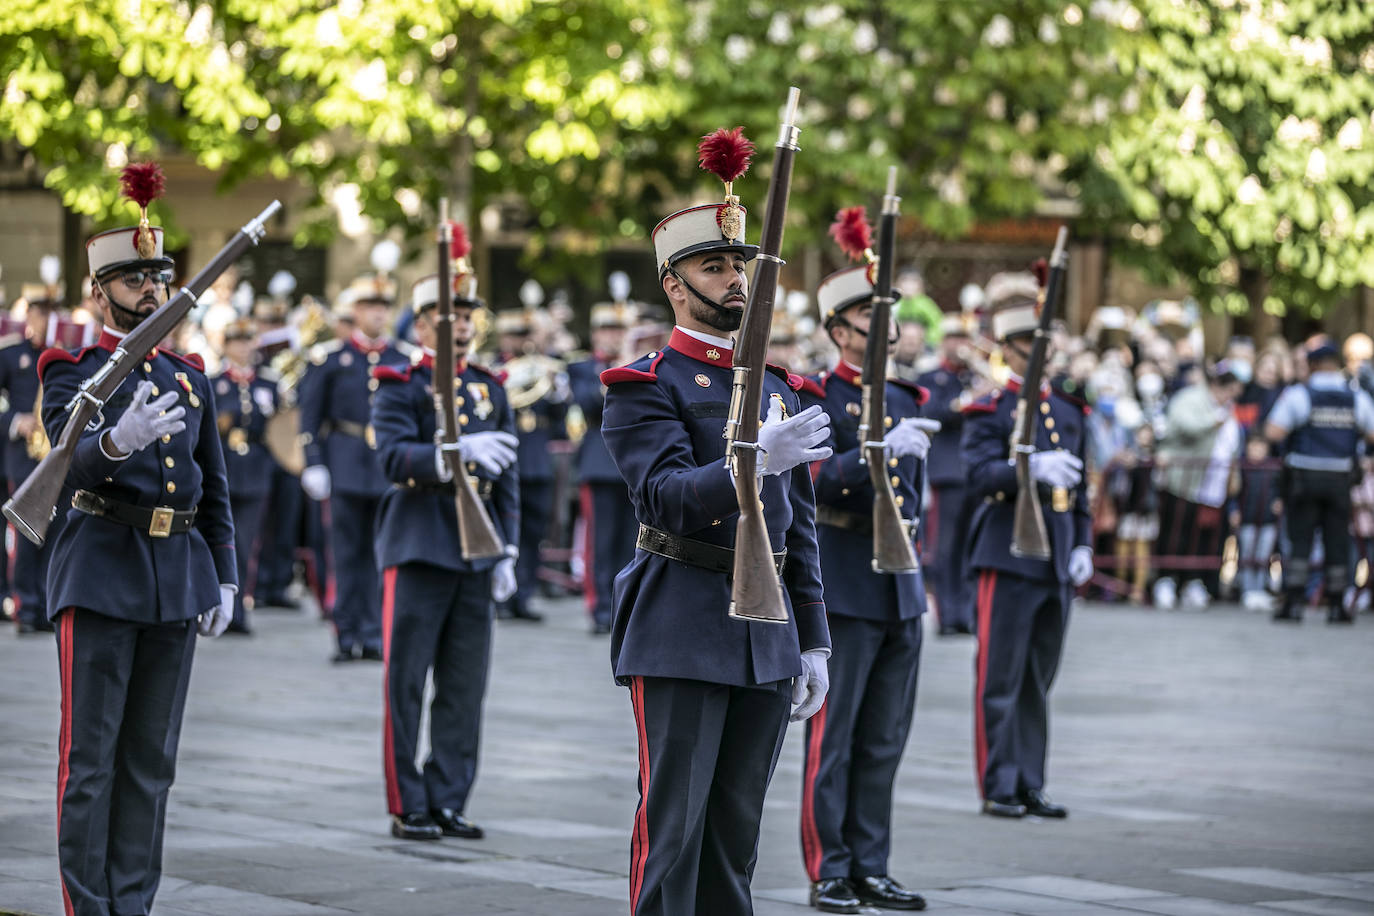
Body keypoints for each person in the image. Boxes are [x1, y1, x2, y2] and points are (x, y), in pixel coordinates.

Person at [600, 127, 832, 915]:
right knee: (673, 835)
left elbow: (795, 528)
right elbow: (662, 497)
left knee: (735, 840)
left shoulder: (775, 384)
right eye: (714, 266)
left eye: (740, 266)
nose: (734, 281)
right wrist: (748, 463)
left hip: (764, 634)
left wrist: (814, 637)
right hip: (683, 623)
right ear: (674, 284)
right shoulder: (643, 385)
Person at [39, 164, 236, 916]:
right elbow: (63, 455)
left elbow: (213, 486)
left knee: (151, 763)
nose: (150, 291)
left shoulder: (189, 376)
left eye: (157, 276)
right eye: (131, 280)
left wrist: (224, 575)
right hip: (99, 569)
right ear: (99, 293)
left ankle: (133, 903)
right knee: (90, 762)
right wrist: (113, 442)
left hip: (174, 576)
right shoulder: (72, 365)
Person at [795, 214, 937, 914]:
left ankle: (872, 863)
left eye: (889, 316)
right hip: (845, 579)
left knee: (883, 739)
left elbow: (919, 499)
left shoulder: (909, 397)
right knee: (836, 736)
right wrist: (877, 453)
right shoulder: (819, 394)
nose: (885, 329)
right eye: (867, 316)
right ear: (840, 331)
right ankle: (830, 867)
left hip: (898, 584)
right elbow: (812, 482)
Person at [371, 247, 520, 841]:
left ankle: (450, 796)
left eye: (466, 315)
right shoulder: (398, 381)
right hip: (419, 543)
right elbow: (390, 457)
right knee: (406, 682)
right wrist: (451, 455)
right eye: (448, 313)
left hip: (477, 549)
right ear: (425, 319)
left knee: (464, 685)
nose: (460, 324)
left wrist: (508, 550)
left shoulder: (489, 386)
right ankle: (408, 800)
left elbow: (506, 476)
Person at [961, 277, 1092, 819]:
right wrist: (1028, 467)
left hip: (1057, 554)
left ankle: (1030, 779)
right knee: (1001, 674)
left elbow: (1083, 486)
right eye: (1025, 345)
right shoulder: (991, 408)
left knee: (1039, 676)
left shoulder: (1066, 412)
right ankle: (999, 783)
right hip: (1007, 553)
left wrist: (1083, 542)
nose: (1036, 355)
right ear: (1008, 349)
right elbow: (976, 475)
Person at [297, 276, 406, 661]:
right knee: (343, 554)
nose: (378, 313)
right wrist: (313, 463)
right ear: (356, 312)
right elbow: (309, 417)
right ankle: (345, 632)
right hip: (344, 461)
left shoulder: (402, 358)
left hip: (387, 466)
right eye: (370, 306)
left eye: (383, 306)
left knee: (381, 554)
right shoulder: (330, 358)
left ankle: (374, 634)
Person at [1265, 341, 1374, 623]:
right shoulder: (1355, 397)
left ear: (1313, 365)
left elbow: (1274, 431)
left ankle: (1293, 603)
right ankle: (1337, 605)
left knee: (1300, 540)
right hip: (1340, 478)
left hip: (1305, 475)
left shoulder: (1300, 394)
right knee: (1337, 541)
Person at [567, 298, 638, 635]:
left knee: (631, 542)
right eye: (608, 329)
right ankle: (599, 610)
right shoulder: (582, 368)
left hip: (634, 466)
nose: (613, 336)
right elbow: (590, 404)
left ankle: (626, 610)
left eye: (619, 329)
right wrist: (622, 368)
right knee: (600, 542)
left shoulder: (641, 363)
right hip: (598, 463)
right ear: (595, 334)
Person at [492, 308, 568, 621]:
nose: (521, 341)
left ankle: (523, 595)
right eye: (514, 335)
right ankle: (500, 598)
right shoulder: (494, 369)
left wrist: (558, 393)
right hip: (508, 457)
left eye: (525, 335)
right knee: (504, 529)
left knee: (534, 530)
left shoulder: (543, 367)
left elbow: (560, 422)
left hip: (537, 458)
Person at [1152, 361, 1245, 609]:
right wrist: (1213, 421)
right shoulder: (1191, 399)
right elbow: (1184, 426)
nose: (1231, 397)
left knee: (1203, 537)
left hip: (1213, 486)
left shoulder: (1227, 408)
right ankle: (1166, 580)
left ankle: (1191, 581)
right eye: (1229, 391)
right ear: (1217, 385)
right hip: (1184, 481)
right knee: (1176, 534)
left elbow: (1232, 444)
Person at [1, 275, 64, 633]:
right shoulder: (11, 354)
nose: (45, 319)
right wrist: (15, 420)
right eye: (39, 312)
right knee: (25, 533)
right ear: (29, 316)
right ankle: (24, 606)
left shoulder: (64, 356)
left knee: (55, 533)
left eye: (50, 312)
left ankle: (45, 605)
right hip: (24, 454)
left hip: (55, 455)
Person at [211, 317, 279, 633]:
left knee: (246, 542)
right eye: (237, 341)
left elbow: (281, 428)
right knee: (222, 541)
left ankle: (238, 611)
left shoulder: (268, 383)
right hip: (222, 467)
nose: (243, 347)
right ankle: (218, 607)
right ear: (226, 346)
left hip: (255, 470)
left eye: (248, 341)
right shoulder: (215, 382)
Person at [916, 313, 983, 634]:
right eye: (954, 338)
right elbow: (933, 413)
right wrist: (970, 400)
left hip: (975, 472)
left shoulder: (975, 377)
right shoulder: (931, 377)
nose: (961, 345)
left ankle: (967, 615)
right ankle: (947, 614)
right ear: (944, 342)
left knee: (971, 547)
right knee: (946, 547)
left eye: (965, 338)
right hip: (947, 472)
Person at [1232, 434, 1282, 611]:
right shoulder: (1242, 467)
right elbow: (1234, 493)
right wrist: (1234, 510)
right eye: (1253, 446)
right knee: (1246, 556)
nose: (1256, 450)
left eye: (1260, 446)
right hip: (1247, 519)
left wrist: (1279, 501)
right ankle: (1248, 590)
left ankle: (1259, 590)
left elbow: (1279, 491)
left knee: (1262, 557)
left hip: (1268, 520)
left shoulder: (1274, 469)